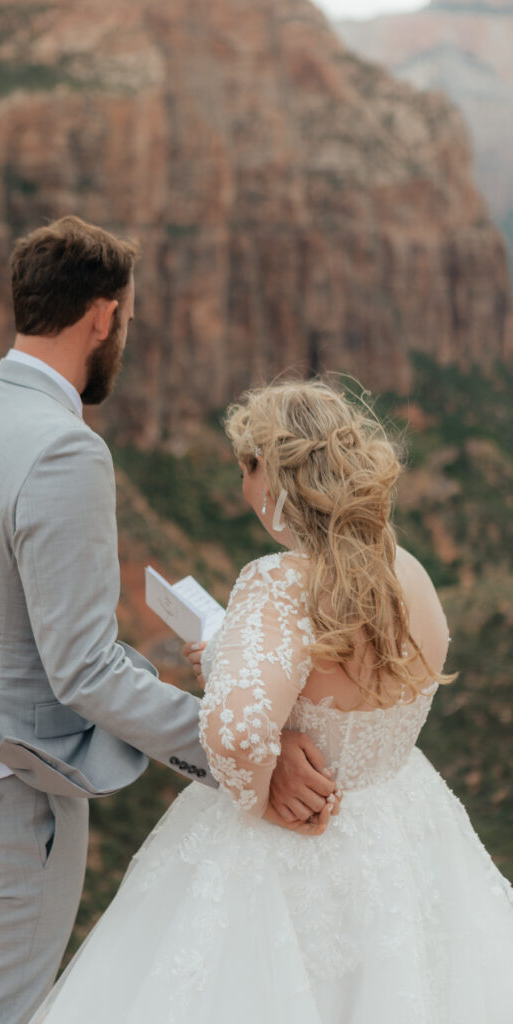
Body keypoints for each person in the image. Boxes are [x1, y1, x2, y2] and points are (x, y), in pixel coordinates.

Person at [0, 217, 338, 1024]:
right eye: (127, 322)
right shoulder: (64, 449)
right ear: (103, 316)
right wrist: (236, 751)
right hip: (14, 795)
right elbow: (82, 672)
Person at [30, 379, 513, 1024]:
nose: (241, 488)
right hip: (402, 830)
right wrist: (238, 658)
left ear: (277, 477)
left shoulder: (278, 582)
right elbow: (343, 685)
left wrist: (262, 793)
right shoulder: (410, 572)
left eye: (247, 467)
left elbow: (235, 732)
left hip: (293, 856)